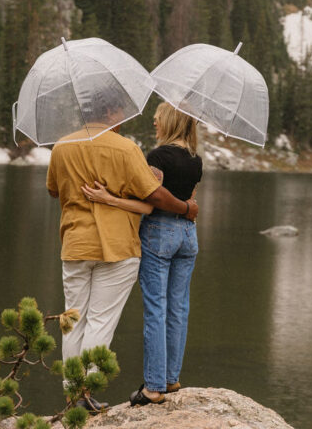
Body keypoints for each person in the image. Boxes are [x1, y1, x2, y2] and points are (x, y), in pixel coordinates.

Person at [46, 114, 197, 413]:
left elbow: (53, 189)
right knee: (101, 321)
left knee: (72, 320)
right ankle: (87, 390)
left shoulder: (61, 146)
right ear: (113, 115)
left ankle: (71, 394)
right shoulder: (127, 149)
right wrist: (186, 208)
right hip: (118, 247)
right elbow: (150, 195)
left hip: (76, 243)